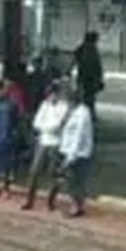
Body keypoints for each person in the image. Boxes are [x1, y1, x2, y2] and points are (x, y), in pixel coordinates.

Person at [24, 84, 69, 211]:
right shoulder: (45, 105)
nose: (51, 97)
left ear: (58, 94)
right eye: (49, 94)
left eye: (53, 94)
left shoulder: (63, 107)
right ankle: (29, 200)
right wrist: (46, 127)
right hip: (43, 141)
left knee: (53, 173)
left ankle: (50, 201)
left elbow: (57, 126)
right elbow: (36, 122)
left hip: (55, 143)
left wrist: (45, 127)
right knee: (34, 171)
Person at [56, 86, 95, 218]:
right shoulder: (72, 111)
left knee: (75, 181)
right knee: (69, 180)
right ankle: (76, 204)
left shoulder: (83, 113)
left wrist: (71, 156)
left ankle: (77, 207)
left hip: (78, 153)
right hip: (68, 150)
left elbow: (78, 136)